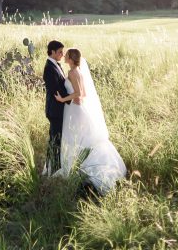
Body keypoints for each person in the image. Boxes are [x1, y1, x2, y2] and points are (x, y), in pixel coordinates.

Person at [53, 47, 127, 192]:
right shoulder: (79, 72)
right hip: (79, 108)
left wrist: (62, 99)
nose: (64, 56)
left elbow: (79, 94)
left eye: (66, 55)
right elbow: (85, 93)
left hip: (74, 109)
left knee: (74, 138)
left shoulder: (72, 72)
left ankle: (78, 166)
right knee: (83, 138)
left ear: (71, 59)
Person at [42, 39, 68, 174]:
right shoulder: (49, 68)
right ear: (52, 52)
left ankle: (53, 167)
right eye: (60, 52)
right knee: (55, 139)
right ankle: (53, 168)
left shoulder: (56, 65)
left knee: (56, 139)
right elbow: (55, 90)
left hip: (60, 108)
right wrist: (70, 99)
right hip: (55, 110)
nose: (62, 54)